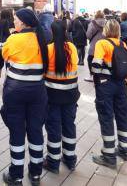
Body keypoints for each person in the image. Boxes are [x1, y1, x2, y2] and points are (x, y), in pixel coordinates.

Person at [1, 8, 48, 186]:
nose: (14, 22)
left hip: (15, 91)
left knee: (17, 131)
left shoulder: (13, 39)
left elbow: (5, 57)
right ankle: (35, 173)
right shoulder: (42, 38)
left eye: (15, 19)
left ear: (22, 22)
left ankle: (16, 175)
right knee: (36, 130)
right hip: (38, 91)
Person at [91, 19, 127, 169]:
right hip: (122, 85)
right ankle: (125, 149)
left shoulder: (102, 44)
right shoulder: (122, 44)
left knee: (107, 117)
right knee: (122, 116)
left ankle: (108, 155)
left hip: (106, 85)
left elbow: (96, 67)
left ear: (106, 30)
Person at [43, 20, 80, 174]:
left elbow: (42, 72)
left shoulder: (48, 49)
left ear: (51, 32)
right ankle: (70, 159)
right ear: (65, 31)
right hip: (71, 96)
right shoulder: (71, 47)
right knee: (69, 125)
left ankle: (53, 161)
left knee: (53, 127)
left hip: (52, 97)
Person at [85, 10, 105, 82]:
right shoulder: (107, 23)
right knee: (102, 60)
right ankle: (101, 75)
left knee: (90, 59)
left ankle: (92, 75)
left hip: (94, 46)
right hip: (104, 45)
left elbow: (88, 35)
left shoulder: (92, 23)